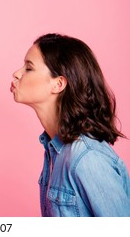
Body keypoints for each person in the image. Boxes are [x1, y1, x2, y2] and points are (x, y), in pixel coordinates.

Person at [11, 33, 130, 217]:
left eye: (29, 68)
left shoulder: (87, 158)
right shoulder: (54, 151)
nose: (17, 74)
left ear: (58, 84)